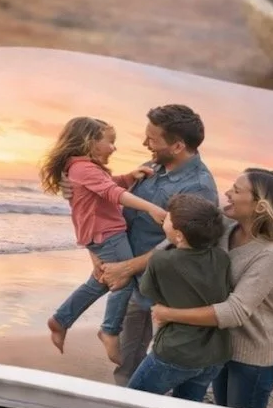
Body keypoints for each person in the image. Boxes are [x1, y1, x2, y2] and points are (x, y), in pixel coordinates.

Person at [149, 168, 273, 408]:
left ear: (260, 206)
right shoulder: (223, 226)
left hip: (253, 355)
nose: (227, 193)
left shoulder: (271, 254)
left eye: (236, 190)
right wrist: (127, 268)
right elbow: (178, 239)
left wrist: (169, 314)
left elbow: (234, 311)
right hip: (218, 346)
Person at [84, 104, 219, 385]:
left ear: (178, 145)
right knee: (127, 360)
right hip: (128, 277)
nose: (145, 144)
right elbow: (114, 210)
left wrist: (126, 267)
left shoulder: (199, 187)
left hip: (163, 287)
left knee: (164, 362)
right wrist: (97, 254)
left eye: (152, 139)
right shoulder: (151, 168)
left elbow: (181, 243)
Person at [42, 116, 167, 362]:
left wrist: (131, 176)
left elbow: (108, 184)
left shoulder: (83, 168)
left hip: (102, 233)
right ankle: (109, 331)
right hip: (106, 233)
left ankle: (60, 320)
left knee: (99, 281)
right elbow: (112, 193)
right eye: (110, 142)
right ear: (90, 142)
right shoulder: (82, 168)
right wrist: (151, 208)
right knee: (124, 281)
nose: (114, 147)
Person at [126, 193, 231, 399]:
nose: (165, 220)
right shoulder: (221, 257)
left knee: (132, 401)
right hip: (215, 354)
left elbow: (147, 292)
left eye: (169, 220)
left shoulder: (161, 261)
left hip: (178, 351)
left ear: (180, 235)